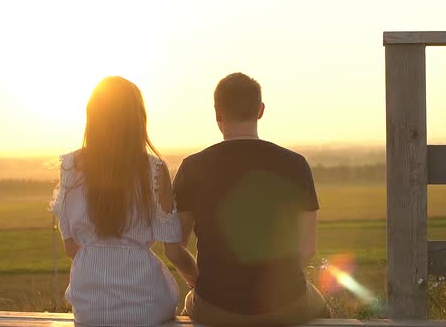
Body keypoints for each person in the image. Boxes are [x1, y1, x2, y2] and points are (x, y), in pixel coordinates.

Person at [174, 73, 331, 325]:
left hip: (215, 307)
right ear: (260, 110)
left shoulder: (192, 167)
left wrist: (197, 282)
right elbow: (307, 249)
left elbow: (174, 245)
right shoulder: (295, 165)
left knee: (190, 305)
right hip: (287, 304)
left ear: (217, 112)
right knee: (323, 309)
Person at [50, 76, 198, 327]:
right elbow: (173, 251)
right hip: (147, 306)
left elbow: (71, 248)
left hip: (89, 310)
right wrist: (198, 283)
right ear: (138, 119)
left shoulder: (70, 167)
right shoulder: (154, 168)